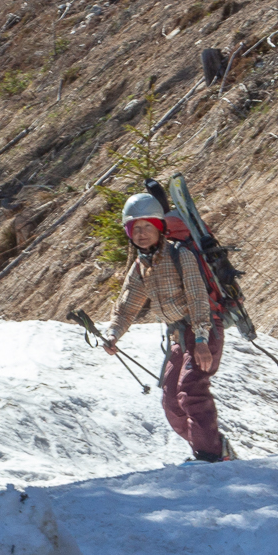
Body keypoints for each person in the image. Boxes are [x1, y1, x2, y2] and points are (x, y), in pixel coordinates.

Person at [101, 193, 233, 462]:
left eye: (147, 226)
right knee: (172, 403)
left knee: (191, 389)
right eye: (134, 228)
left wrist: (200, 340)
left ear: (160, 227)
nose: (141, 233)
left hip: (204, 329)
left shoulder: (180, 255)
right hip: (178, 336)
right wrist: (113, 333)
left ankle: (211, 457)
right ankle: (213, 449)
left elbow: (198, 297)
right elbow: (127, 305)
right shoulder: (142, 265)